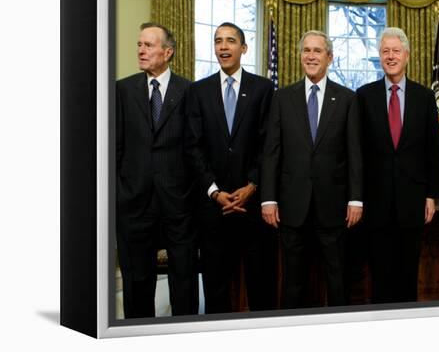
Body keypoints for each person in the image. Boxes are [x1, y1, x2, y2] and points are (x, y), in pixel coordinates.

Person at [261, 30, 363, 309]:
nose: (311, 56)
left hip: (334, 206)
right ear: (300, 56)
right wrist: (268, 198)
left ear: (329, 57)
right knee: (293, 280)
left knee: (336, 277)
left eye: (317, 51)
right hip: (292, 206)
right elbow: (272, 151)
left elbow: (354, 152)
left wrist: (356, 198)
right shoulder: (282, 97)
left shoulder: (346, 99)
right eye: (306, 50)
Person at [186, 22, 277, 313]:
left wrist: (252, 185)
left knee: (260, 287)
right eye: (218, 41)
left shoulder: (263, 88)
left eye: (230, 41)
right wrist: (215, 192)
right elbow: (193, 146)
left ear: (243, 48)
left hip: (252, 209)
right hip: (214, 210)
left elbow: (268, 144)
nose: (223, 47)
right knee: (215, 290)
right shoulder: (197, 91)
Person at [116, 22, 197, 318]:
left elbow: (195, 148)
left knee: (184, 279)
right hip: (134, 202)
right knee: (137, 280)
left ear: (168, 52)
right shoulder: (122, 90)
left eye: (148, 45)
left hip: (178, 202)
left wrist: (190, 193)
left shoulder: (190, 91)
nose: (141, 50)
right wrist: (119, 192)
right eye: (139, 44)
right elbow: (115, 147)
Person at [356, 27, 439, 304]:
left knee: (407, 276)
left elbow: (432, 150)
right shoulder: (364, 96)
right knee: (380, 277)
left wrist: (431, 194)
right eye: (385, 51)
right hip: (375, 203)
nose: (390, 56)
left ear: (407, 55)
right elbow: (357, 152)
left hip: (412, 202)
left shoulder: (425, 97)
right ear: (380, 56)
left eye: (396, 51)